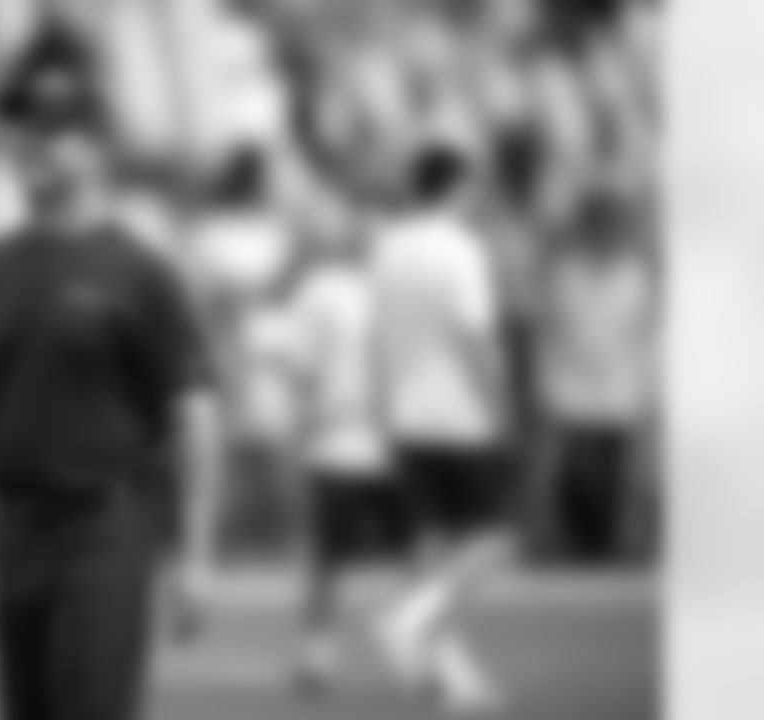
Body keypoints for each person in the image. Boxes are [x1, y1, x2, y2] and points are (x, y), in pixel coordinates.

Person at [0, 20, 224, 720]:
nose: (27, 143)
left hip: (101, 533)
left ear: (97, 147)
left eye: (50, 129)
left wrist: (196, 556)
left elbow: (194, 413)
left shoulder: (138, 272)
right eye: (21, 128)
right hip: (12, 534)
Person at [372, 142, 511, 713]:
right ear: (457, 186)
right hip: (460, 415)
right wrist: (502, 402)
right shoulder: (461, 250)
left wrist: (381, 406)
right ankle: (409, 621)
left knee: (432, 549)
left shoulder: (388, 246)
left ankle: (448, 675)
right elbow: (474, 334)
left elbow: (378, 335)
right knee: (494, 540)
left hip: (405, 414)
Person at [278, 180, 403, 694]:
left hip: (392, 442)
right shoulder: (323, 289)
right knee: (330, 558)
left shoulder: (397, 287)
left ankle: (423, 643)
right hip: (341, 442)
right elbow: (301, 369)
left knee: (411, 555)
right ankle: (318, 651)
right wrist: (303, 427)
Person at [535, 190, 659, 563]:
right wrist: (547, 381)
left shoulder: (634, 275)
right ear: (585, 229)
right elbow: (553, 328)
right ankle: (579, 543)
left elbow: (644, 332)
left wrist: (648, 384)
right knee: (577, 472)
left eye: (611, 228)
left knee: (613, 470)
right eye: (597, 227)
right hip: (572, 387)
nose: (604, 235)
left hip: (619, 386)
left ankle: (604, 545)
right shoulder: (565, 273)